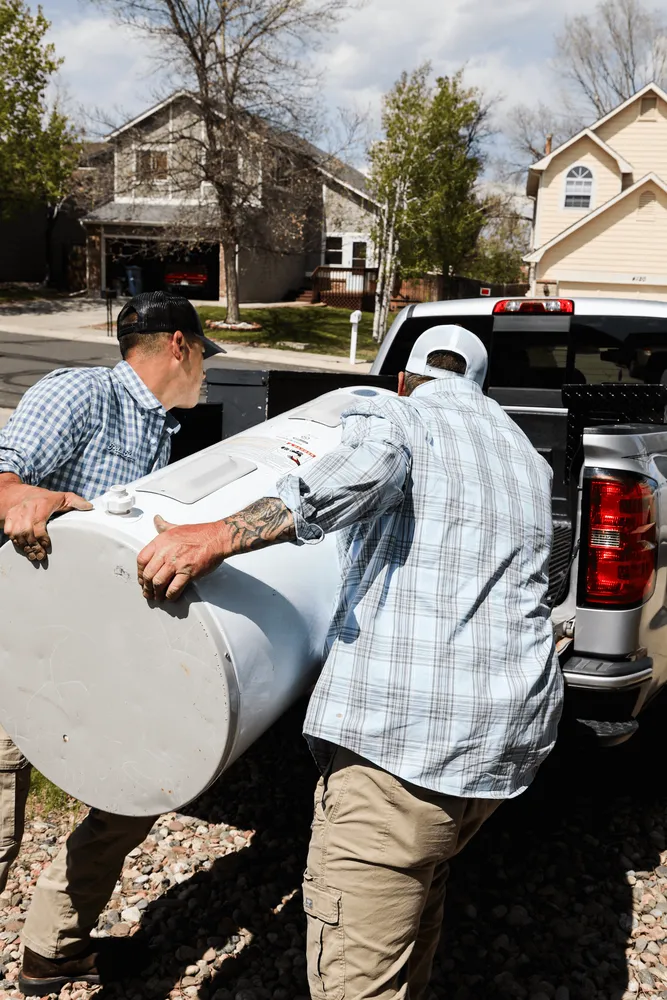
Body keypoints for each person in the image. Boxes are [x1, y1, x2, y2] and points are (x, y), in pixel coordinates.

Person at [136, 324, 564, 1000]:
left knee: (357, 976)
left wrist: (218, 533)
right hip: (505, 737)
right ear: (479, 386)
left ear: (404, 377)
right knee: (419, 885)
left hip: (405, 741)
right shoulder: (522, 455)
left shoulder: (398, 411)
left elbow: (368, 470)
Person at [0, 290, 223, 997]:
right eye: (203, 359)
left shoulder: (157, 424)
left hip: (100, 649)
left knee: (133, 788)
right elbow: (3, 476)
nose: (206, 377)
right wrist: (24, 497)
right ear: (179, 346)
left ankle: (52, 951)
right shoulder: (82, 393)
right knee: (1, 807)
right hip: (24, 641)